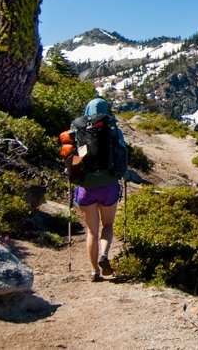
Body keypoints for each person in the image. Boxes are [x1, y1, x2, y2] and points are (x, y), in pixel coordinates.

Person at [74, 97, 124, 282]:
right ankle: (104, 254)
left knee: (92, 231)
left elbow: (76, 158)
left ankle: (94, 271)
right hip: (109, 185)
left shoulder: (79, 130)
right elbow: (122, 154)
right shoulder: (112, 130)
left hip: (86, 187)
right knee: (108, 225)